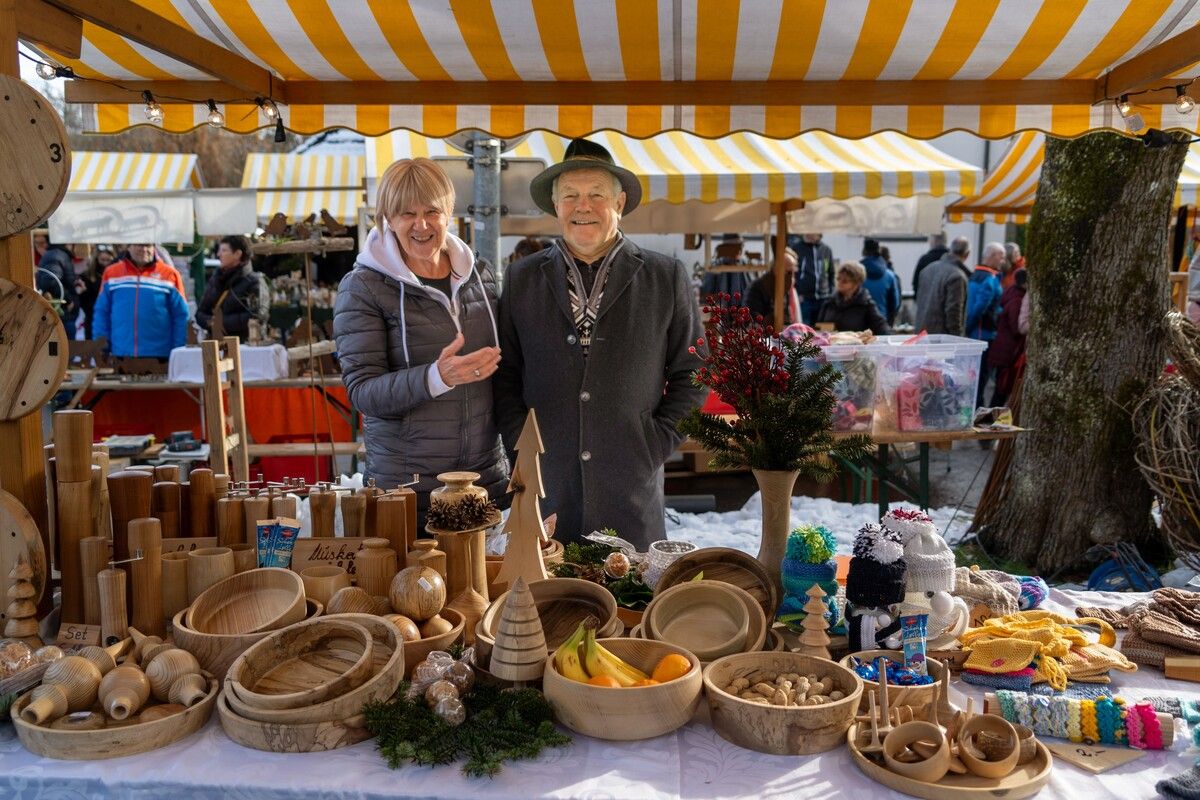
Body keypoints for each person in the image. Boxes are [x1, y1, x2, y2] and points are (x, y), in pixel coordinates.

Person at [494, 138, 705, 549]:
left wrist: (654, 442)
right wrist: (523, 446)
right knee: (551, 607)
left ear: (620, 202)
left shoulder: (666, 278)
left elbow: (693, 374)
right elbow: (505, 376)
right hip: (547, 488)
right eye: (570, 195)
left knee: (632, 607)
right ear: (556, 206)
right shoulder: (522, 279)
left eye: (596, 195)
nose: (582, 206)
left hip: (631, 489)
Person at [333, 158, 506, 525]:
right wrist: (436, 377)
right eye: (407, 213)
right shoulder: (364, 286)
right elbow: (363, 392)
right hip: (410, 491)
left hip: (484, 482)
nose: (421, 224)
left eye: (432, 211)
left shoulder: (482, 276)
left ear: (449, 213)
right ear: (387, 218)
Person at [92, 243, 188, 359]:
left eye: (148, 245)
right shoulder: (111, 273)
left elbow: (181, 316)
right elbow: (101, 312)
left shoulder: (170, 275)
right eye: (139, 245)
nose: (144, 249)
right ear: (129, 247)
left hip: (160, 356)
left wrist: (178, 349)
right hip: (121, 354)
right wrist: (102, 344)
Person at [194, 235, 270, 342]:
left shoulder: (254, 281)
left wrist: (220, 323)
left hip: (246, 345)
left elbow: (258, 315)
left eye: (224, 250)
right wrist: (210, 322)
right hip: (216, 344)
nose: (218, 254)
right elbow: (200, 313)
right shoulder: (215, 279)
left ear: (237, 254)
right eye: (219, 250)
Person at [966, 242, 1006, 406]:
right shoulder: (989, 280)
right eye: (1001, 256)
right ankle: (977, 410)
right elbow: (979, 309)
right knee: (980, 377)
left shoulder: (975, 275)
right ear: (992, 256)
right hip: (983, 334)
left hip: (977, 331)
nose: (1002, 260)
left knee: (975, 376)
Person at [914, 236, 970, 336]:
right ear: (967, 254)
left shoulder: (927, 269)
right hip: (942, 340)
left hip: (921, 333)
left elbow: (919, 301)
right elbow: (954, 313)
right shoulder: (957, 276)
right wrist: (958, 338)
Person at [987, 268, 1027, 407]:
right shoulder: (1017, 299)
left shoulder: (1010, 293)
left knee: (1000, 388)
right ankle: (991, 418)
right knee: (1001, 389)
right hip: (1007, 351)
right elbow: (1016, 328)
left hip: (1002, 348)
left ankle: (990, 416)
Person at [816, 261, 890, 334]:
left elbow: (881, 327)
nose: (839, 283)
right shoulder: (829, 302)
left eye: (845, 281)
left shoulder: (866, 304)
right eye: (838, 279)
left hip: (856, 345)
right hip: (831, 344)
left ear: (857, 282)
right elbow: (818, 327)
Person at [34, 235, 80, 335]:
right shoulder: (57, 255)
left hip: (61, 315)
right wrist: (68, 300)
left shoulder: (56, 254)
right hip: (61, 315)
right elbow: (51, 280)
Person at [744, 247, 800, 327]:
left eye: (793, 272)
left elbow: (787, 318)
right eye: (789, 272)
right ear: (776, 269)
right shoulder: (757, 287)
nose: (791, 276)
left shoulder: (785, 286)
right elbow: (751, 317)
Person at [792, 232, 834, 325]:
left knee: (821, 329)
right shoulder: (796, 248)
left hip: (823, 299)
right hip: (804, 299)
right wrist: (797, 293)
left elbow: (831, 273)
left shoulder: (826, 249)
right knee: (804, 332)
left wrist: (830, 294)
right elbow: (791, 273)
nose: (809, 233)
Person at [77, 245, 114, 341]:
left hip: (112, 318)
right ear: (96, 259)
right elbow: (82, 301)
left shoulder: (116, 276)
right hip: (92, 318)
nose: (105, 264)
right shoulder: (87, 277)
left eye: (108, 260)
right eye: (102, 260)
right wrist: (82, 293)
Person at [860, 238, 900, 325]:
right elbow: (895, 304)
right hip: (882, 322)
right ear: (878, 251)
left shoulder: (855, 273)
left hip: (859, 323)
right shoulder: (890, 275)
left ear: (864, 251)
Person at [911, 232, 948, 297]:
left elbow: (916, 282)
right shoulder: (952, 259)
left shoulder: (925, 259)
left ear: (934, 241)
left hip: (927, 302)